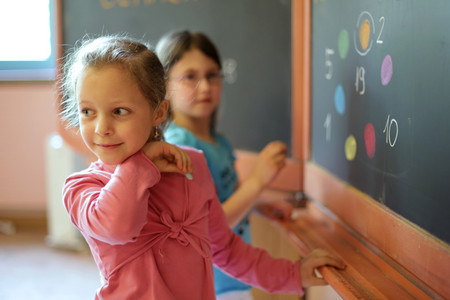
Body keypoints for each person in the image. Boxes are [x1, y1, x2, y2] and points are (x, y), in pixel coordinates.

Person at [59, 34, 346, 300]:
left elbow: (226, 249)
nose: (101, 128)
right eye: (88, 112)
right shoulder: (81, 188)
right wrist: (140, 164)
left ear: (158, 112)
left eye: (119, 111)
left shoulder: (190, 166)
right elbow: (118, 226)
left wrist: (294, 274)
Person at [157, 30, 295, 299]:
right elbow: (207, 228)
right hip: (211, 286)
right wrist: (257, 182)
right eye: (190, 77)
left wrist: (257, 203)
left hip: (234, 276)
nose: (205, 86)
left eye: (212, 75)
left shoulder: (218, 142)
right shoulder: (179, 147)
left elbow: (221, 200)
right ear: (164, 86)